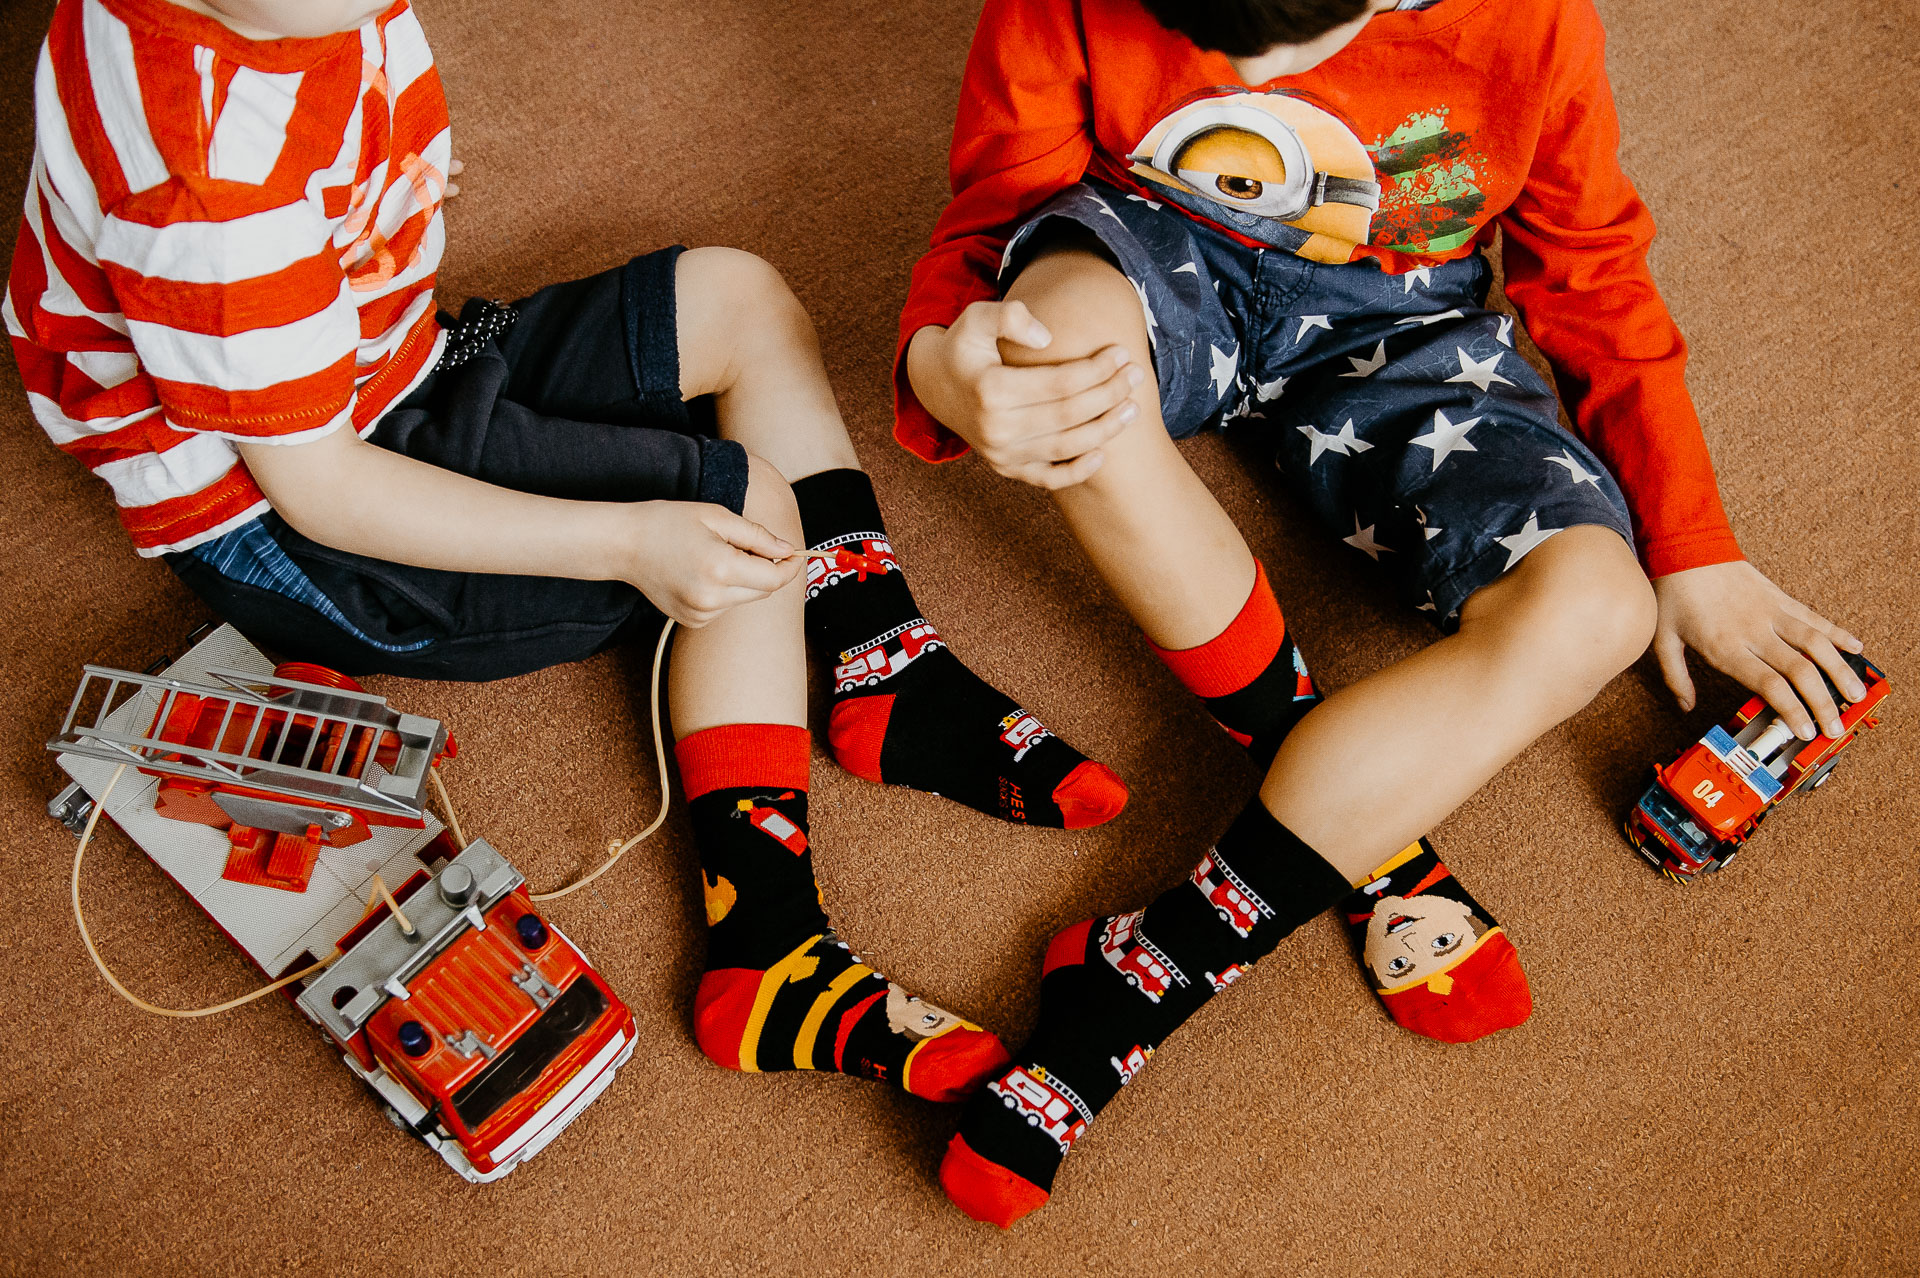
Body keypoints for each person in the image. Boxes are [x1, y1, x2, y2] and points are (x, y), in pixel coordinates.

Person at [7, 0, 1133, 1105]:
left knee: (739, 295)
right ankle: (769, 947)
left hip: (398, 355)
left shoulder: (295, 20)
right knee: (740, 511)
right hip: (298, 517)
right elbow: (328, 490)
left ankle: (878, 652)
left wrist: (385, 186)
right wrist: (627, 540)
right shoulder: (204, 195)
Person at [895, 0, 1868, 1224]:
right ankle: (1331, 844)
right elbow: (996, 214)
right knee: (1053, 354)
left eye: (1277, 41)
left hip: (1406, 316)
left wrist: (1692, 545)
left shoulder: (1532, 20)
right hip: (1145, 242)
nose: (1232, 68)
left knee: (1597, 608)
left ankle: (1163, 955)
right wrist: (946, 365)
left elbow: (1593, 267)